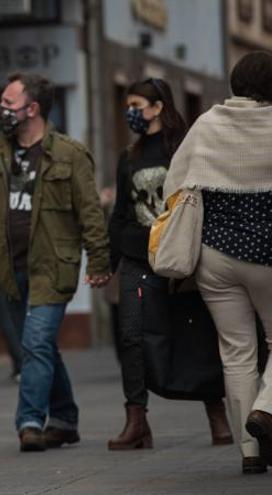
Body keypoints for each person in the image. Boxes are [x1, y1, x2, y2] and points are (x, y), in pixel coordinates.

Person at [0, 73, 111, 452]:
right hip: (10, 268)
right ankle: (65, 419)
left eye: (9, 103)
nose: (2, 109)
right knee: (37, 346)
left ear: (32, 109)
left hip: (53, 265)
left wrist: (99, 260)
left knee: (35, 343)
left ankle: (30, 420)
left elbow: (89, 211)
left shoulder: (69, 153)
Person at [107, 78, 234, 451]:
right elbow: (120, 214)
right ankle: (136, 421)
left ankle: (217, 414)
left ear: (158, 107)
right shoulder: (128, 157)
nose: (130, 112)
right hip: (136, 256)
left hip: (181, 257)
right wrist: (108, 262)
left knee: (196, 332)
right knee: (131, 336)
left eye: (135, 104)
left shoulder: (183, 148)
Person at [164, 51, 272, 475]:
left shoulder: (207, 124)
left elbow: (174, 184)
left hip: (214, 256)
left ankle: (250, 451)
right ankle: (265, 410)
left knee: (237, 353)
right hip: (268, 254)